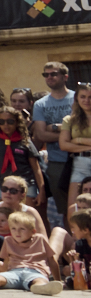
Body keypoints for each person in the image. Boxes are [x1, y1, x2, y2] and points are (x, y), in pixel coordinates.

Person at [33, 62, 76, 224]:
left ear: (65, 77)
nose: (49, 77)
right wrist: (68, 133)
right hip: (57, 162)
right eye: (46, 74)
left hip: (80, 157)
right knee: (66, 209)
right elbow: (41, 134)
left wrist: (55, 127)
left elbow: (83, 129)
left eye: (53, 74)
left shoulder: (78, 98)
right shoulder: (40, 104)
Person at [58, 83, 91, 211]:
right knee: (74, 207)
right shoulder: (69, 120)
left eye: (90, 97)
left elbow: (70, 143)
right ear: (77, 98)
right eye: (83, 97)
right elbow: (64, 145)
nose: (86, 100)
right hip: (79, 164)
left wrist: (78, 140)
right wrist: (87, 148)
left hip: (79, 156)